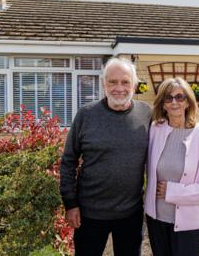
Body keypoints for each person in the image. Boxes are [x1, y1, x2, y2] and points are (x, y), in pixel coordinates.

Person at [59, 57, 152, 256]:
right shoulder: (86, 115)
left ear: (134, 85)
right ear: (103, 84)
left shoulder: (146, 114)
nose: (119, 88)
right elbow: (68, 161)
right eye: (112, 81)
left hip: (131, 214)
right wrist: (70, 204)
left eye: (125, 82)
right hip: (89, 214)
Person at [145, 77, 199, 256]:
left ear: (188, 102)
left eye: (180, 97)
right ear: (162, 104)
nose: (174, 102)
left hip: (189, 223)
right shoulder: (155, 130)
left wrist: (173, 192)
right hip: (156, 219)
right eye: (168, 98)